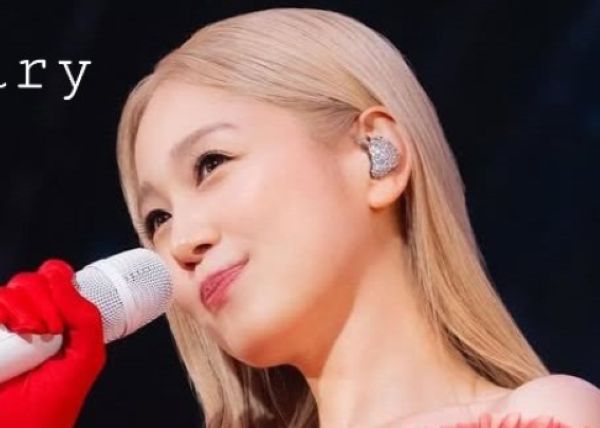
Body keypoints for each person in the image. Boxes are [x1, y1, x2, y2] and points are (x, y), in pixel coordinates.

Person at [0, 7, 598, 428]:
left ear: (376, 155)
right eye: (157, 218)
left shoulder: (539, 414)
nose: (180, 241)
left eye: (211, 163)